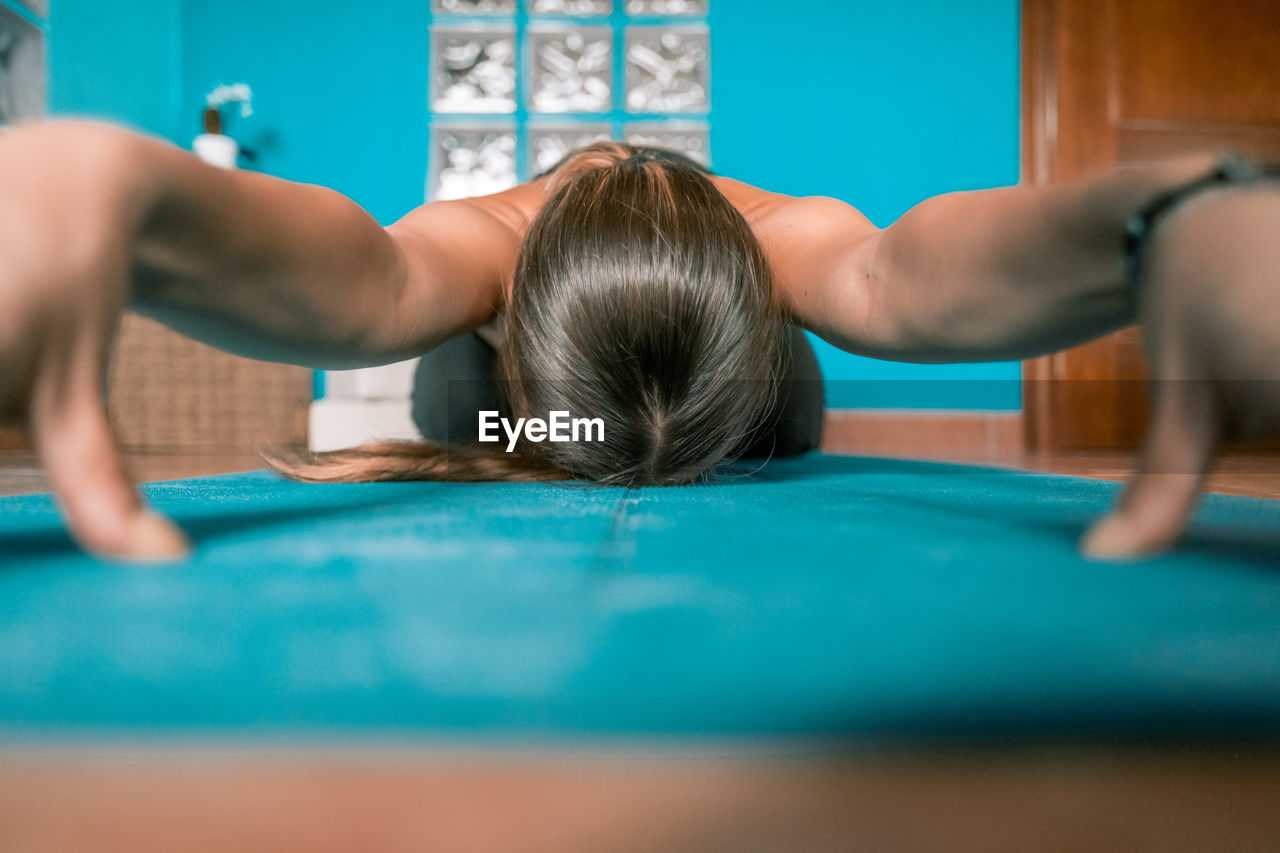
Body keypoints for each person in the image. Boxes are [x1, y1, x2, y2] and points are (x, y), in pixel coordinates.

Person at [0, 119, 1276, 562]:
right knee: (458, 380)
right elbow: (352, 282)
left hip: (663, 412)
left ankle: (618, 424)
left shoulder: (775, 241)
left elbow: (911, 279)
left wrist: (1166, 218)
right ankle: (552, 425)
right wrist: (129, 188)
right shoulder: (484, 251)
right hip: (531, 420)